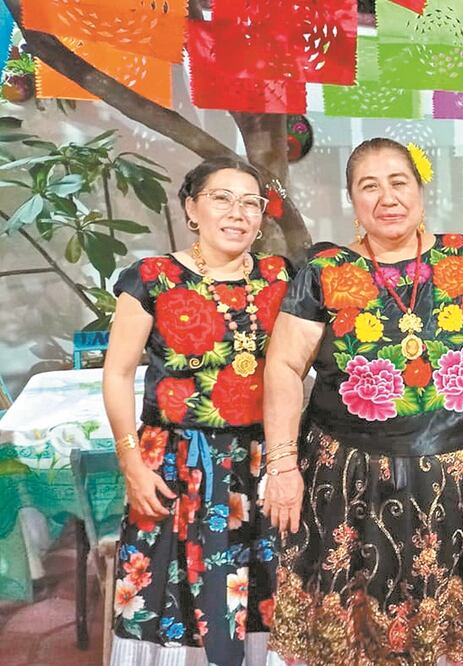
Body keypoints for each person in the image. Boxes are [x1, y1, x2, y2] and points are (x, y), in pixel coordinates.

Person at [261, 138, 463, 665]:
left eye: (399, 182)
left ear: (420, 189)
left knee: (445, 630)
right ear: (352, 198)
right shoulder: (325, 271)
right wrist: (281, 464)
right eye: (369, 186)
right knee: (355, 635)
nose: (387, 197)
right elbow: (283, 367)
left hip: (457, 478)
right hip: (350, 478)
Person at [103, 158, 290, 665]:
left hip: (261, 461)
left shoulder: (280, 276)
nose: (238, 212)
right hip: (176, 461)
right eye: (221, 198)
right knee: (175, 595)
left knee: (265, 594)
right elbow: (117, 374)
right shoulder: (152, 278)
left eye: (250, 202)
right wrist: (131, 463)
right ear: (191, 208)